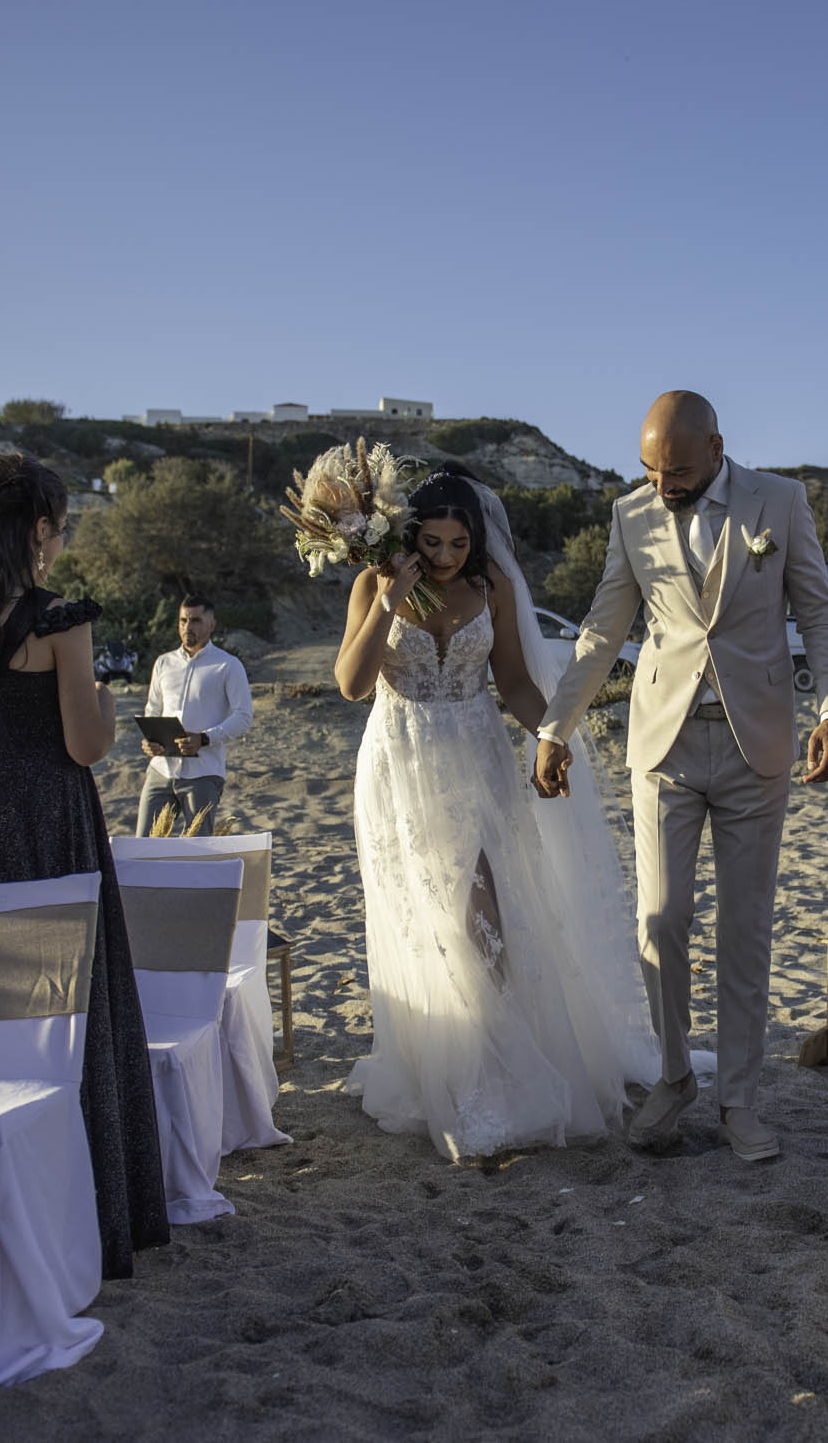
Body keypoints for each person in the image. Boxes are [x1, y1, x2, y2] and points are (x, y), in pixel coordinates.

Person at [535, 391, 828, 1163]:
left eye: (674, 468)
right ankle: (675, 1076)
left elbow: (817, 610)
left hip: (758, 743)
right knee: (661, 920)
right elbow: (605, 629)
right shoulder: (630, 514)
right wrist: (556, 724)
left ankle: (740, 1100)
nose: (661, 482)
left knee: (746, 931)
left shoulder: (781, 501)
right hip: (665, 745)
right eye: (648, 467)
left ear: (716, 446)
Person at [336, 463, 657, 1160]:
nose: (445, 558)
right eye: (432, 544)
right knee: (420, 912)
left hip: (476, 755)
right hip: (402, 761)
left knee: (486, 911)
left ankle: (501, 1067)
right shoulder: (375, 583)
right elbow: (352, 683)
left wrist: (553, 737)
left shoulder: (494, 588)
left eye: (458, 544)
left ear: (476, 540)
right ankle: (444, 1066)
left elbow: (511, 679)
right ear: (408, 536)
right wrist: (391, 600)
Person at [0, 453, 168, 1274]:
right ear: (40, 530)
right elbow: (83, 744)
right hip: (50, 816)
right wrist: (110, 709)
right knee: (68, 1006)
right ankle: (83, 1214)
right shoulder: (58, 619)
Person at [136, 595, 252, 836]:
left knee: (197, 850)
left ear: (212, 625)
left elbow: (243, 717)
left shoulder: (228, 665)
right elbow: (153, 708)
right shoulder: (163, 663)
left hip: (203, 772)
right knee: (143, 845)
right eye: (183, 620)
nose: (188, 626)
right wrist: (149, 740)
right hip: (161, 769)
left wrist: (204, 738)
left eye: (196, 620)